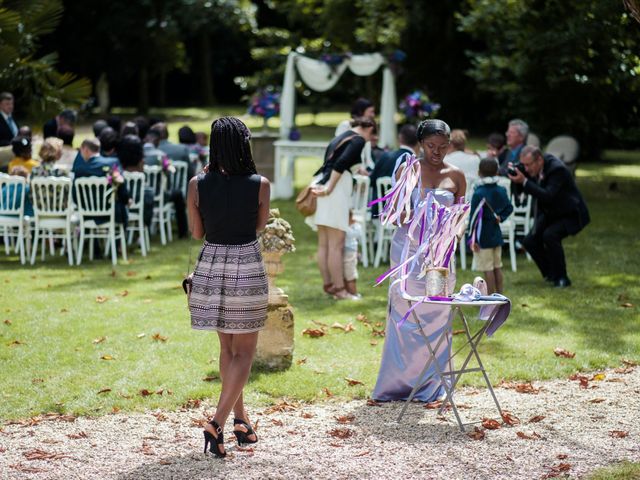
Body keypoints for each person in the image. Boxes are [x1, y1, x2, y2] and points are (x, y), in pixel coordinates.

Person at [186, 116, 270, 458]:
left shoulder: (196, 184)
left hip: (210, 267)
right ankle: (218, 422)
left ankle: (241, 420)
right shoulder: (260, 184)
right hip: (246, 266)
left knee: (227, 350)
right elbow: (259, 226)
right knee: (245, 352)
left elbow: (196, 233)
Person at [372, 119, 466, 402]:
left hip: (441, 254)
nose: (436, 152)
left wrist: (452, 236)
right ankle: (397, 384)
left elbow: (461, 217)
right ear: (421, 144)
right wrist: (412, 215)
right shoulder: (408, 169)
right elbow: (397, 215)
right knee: (406, 313)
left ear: (449, 145)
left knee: (437, 313)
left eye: (442, 146)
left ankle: (433, 384)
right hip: (409, 251)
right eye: (430, 146)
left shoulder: (457, 175)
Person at [306, 116, 376, 300]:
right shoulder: (358, 139)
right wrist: (329, 189)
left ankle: (329, 285)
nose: (370, 139)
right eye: (373, 135)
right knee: (336, 245)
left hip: (321, 185)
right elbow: (341, 163)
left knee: (324, 243)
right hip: (333, 191)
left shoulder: (341, 136)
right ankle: (340, 290)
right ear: (368, 129)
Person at [508, 146, 590, 288]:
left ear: (539, 160)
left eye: (528, 165)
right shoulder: (533, 168)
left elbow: (548, 195)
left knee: (550, 236)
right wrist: (517, 177)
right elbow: (522, 191)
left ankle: (562, 278)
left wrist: (525, 182)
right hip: (551, 212)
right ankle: (552, 274)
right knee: (529, 241)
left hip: (570, 213)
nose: (526, 169)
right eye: (524, 165)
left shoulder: (557, 169)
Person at [469, 158, 514, 294]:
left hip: (483, 237)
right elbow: (509, 208)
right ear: (497, 172)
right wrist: (501, 217)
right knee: (497, 267)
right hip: (496, 233)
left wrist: (473, 239)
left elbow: (474, 218)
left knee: (487, 269)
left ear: (479, 173)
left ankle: (490, 298)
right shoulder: (501, 190)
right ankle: (499, 295)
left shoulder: (478, 193)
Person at [369, 124, 419, 217]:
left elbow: (371, 181)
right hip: (402, 213)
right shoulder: (415, 163)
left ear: (400, 138)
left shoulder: (385, 156)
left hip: (379, 209)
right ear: (419, 142)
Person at [343, 210, 362, 298]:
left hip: (351, 251)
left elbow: (356, 235)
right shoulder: (344, 227)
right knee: (346, 274)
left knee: (351, 274)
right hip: (344, 251)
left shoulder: (356, 226)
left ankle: (353, 292)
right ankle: (349, 292)